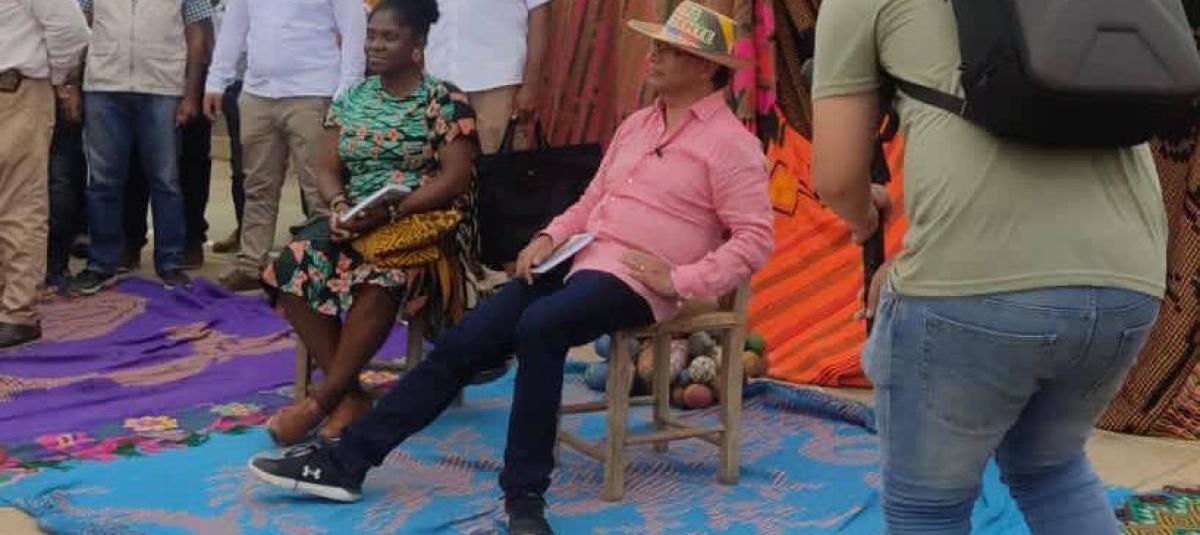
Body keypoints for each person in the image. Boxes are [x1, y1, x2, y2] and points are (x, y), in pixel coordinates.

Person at [246, 3, 772, 534]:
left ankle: (524, 497)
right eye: (655, 46)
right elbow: (592, 200)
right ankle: (346, 463)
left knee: (541, 326)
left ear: (705, 67)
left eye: (667, 50)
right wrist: (547, 238)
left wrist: (679, 281)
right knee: (466, 339)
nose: (652, 57)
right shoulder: (639, 124)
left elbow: (754, 239)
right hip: (582, 256)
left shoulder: (731, 144)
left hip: (637, 279)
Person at [811, 1, 1168, 534]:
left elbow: (836, 177)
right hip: (1128, 277)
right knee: (1051, 469)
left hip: (972, 283)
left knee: (927, 508)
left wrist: (866, 218)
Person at [254, 0, 479, 447]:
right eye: (372, 36)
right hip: (357, 218)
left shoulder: (445, 101)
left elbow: (455, 178)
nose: (375, 45)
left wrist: (394, 210)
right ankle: (352, 396)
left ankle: (321, 401)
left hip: (418, 226)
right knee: (290, 266)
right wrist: (339, 205)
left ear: (416, 44)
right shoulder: (352, 98)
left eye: (389, 37)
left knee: (381, 277)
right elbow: (326, 167)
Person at [202, 0, 366, 292]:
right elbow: (234, 26)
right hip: (257, 92)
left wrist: (347, 91)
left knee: (320, 189)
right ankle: (252, 264)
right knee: (257, 186)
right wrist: (216, 80)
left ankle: (324, 266)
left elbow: (354, 30)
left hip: (314, 90)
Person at [68, 0, 214, 294]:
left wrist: (190, 93)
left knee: (166, 182)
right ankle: (101, 265)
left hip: (162, 87)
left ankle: (170, 263)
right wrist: (72, 84)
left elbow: (198, 33)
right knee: (102, 183)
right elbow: (78, 27)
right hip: (103, 87)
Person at [0, 0, 89, 347]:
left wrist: (56, 78)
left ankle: (17, 313)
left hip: (16, 92)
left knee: (19, 204)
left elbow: (72, 30)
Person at [426, 0, 550, 154]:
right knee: (439, 159)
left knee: (496, 160)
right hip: (437, 75)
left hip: (497, 80)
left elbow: (539, 11)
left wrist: (531, 84)